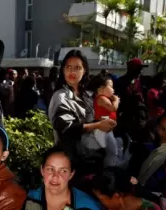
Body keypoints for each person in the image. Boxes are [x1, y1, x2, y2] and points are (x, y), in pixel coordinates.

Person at [48, 50, 116, 178]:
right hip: (71, 162)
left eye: (77, 68)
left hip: (93, 161)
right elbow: (67, 129)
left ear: (84, 70)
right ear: (62, 70)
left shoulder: (87, 94)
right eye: (68, 67)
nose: (72, 72)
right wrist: (98, 125)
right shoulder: (61, 96)